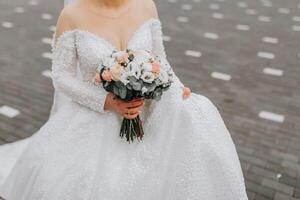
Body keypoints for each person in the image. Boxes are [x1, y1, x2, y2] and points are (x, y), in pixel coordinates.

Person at [0, 0, 248, 199]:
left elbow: (160, 60)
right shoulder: (71, 14)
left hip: (145, 111)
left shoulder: (147, 6)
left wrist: (177, 86)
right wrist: (106, 102)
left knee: (198, 114)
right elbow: (61, 77)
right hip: (94, 117)